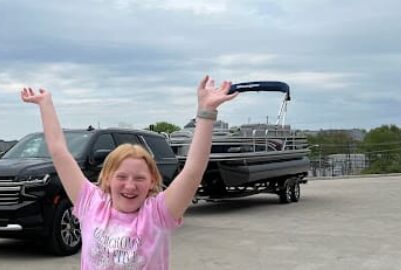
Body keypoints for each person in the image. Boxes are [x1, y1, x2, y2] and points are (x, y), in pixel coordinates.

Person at [20, 74, 238, 269]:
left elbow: (192, 171)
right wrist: (45, 104)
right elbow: (59, 152)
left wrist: (207, 112)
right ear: (107, 178)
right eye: (121, 177)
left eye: (140, 178)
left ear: (152, 181)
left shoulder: (158, 213)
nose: (130, 185)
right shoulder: (91, 204)